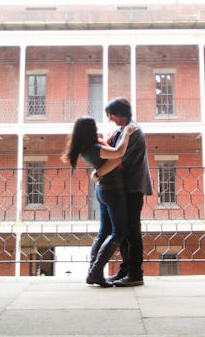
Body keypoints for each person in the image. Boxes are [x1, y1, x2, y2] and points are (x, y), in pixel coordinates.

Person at [62, 116, 136, 287]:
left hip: (103, 189)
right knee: (119, 232)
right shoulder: (94, 148)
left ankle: (92, 271)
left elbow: (109, 153)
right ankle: (96, 271)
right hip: (113, 189)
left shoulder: (84, 148)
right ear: (90, 130)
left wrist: (97, 173)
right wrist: (126, 133)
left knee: (104, 232)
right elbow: (118, 154)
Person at [93, 97, 152, 287]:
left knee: (132, 231)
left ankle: (135, 274)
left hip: (132, 186)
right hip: (125, 186)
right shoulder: (122, 130)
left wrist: (98, 173)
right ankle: (125, 270)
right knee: (124, 231)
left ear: (120, 113)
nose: (110, 118)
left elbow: (118, 158)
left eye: (111, 115)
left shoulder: (133, 130)